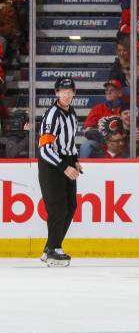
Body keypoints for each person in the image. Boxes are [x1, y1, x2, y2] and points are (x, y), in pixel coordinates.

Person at [38, 78, 82, 267]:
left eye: (70, 91)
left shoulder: (72, 113)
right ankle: (54, 249)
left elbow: (70, 142)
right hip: (51, 165)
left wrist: (76, 160)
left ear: (73, 93)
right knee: (57, 208)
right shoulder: (52, 115)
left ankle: (50, 247)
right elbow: (45, 148)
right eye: (63, 91)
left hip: (67, 161)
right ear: (56, 93)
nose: (67, 94)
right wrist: (64, 166)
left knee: (71, 206)